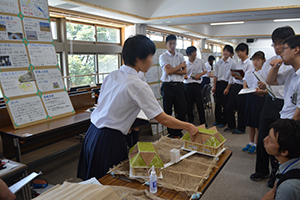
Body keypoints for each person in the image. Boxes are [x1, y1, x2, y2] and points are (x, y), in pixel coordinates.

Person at [77, 35, 198, 180]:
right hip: (109, 140)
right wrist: (189, 126)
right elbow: (163, 118)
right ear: (139, 59)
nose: (151, 61)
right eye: (150, 57)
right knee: (111, 185)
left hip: (91, 134)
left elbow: (108, 104)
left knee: (94, 183)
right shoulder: (137, 84)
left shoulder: (113, 75)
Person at [250, 26, 295, 188]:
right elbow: (267, 81)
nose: (277, 47)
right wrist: (262, 86)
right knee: (264, 136)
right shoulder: (272, 61)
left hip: (287, 105)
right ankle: (262, 169)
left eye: (281, 43)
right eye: (274, 43)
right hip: (270, 101)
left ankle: (277, 173)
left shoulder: (292, 62)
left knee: (280, 142)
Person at [261, 119, 300, 200]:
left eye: (271, 140)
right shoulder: (287, 162)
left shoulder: (288, 188)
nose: (265, 139)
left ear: (284, 152)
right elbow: (273, 192)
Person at [266, 35, 300, 121]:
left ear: (296, 50)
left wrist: (283, 131)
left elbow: (297, 115)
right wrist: (275, 67)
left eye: (284, 49)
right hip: (285, 117)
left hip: (291, 124)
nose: (281, 54)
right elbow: (270, 81)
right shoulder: (291, 72)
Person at [159, 34, 187, 138]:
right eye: (170, 43)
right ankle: (171, 133)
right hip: (167, 86)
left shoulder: (180, 56)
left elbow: (185, 71)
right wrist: (179, 67)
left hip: (179, 85)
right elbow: (168, 72)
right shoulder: (163, 56)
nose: (172, 45)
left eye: (174, 43)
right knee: (168, 111)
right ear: (166, 44)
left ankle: (178, 132)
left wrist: (174, 69)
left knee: (181, 110)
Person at [242, 51, 267, 154]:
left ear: (263, 61)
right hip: (250, 97)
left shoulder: (266, 73)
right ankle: (251, 142)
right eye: (254, 60)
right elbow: (245, 85)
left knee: (258, 124)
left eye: (258, 60)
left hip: (260, 99)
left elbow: (269, 89)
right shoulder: (249, 72)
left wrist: (261, 92)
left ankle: (256, 144)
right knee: (251, 123)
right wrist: (247, 90)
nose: (255, 62)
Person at [225, 43, 253, 134]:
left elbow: (249, 78)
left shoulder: (250, 63)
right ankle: (231, 126)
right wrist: (234, 76)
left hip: (243, 87)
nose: (238, 54)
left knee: (241, 109)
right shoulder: (239, 62)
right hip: (235, 86)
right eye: (237, 52)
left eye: (239, 52)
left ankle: (241, 128)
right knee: (229, 107)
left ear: (245, 51)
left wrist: (239, 77)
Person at [212, 45, 237, 128]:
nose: (225, 52)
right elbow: (215, 75)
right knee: (217, 103)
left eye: (227, 51)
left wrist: (227, 88)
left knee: (225, 104)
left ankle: (224, 121)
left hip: (227, 84)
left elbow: (232, 76)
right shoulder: (218, 62)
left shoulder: (233, 62)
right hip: (219, 84)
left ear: (230, 53)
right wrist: (214, 86)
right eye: (224, 51)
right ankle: (217, 120)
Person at [183, 46, 207, 125]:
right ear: (189, 54)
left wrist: (199, 75)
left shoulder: (200, 61)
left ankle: (203, 122)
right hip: (187, 85)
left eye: (195, 52)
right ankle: (191, 121)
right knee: (189, 104)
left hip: (197, 85)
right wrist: (184, 76)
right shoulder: (185, 63)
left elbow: (205, 71)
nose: (195, 54)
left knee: (199, 104)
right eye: (193, 52)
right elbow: (182, 74)